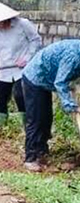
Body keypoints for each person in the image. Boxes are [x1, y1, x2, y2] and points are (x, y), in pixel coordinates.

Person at [0, 1, 42, 129]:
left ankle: (26, 126)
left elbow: (35, 41)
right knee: (0, 96)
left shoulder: (22, 24)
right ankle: (0, 127)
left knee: (20, 95)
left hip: (22, 68)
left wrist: (27, 58)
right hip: (4, 68)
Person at [21, 40, 80, 172]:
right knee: (36, 119)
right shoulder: (74, 56)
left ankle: (41, 151)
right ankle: (30, 158)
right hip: (34, 78)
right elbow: (60, 82)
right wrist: (71, 105)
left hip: (46, 80)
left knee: (46, 118)